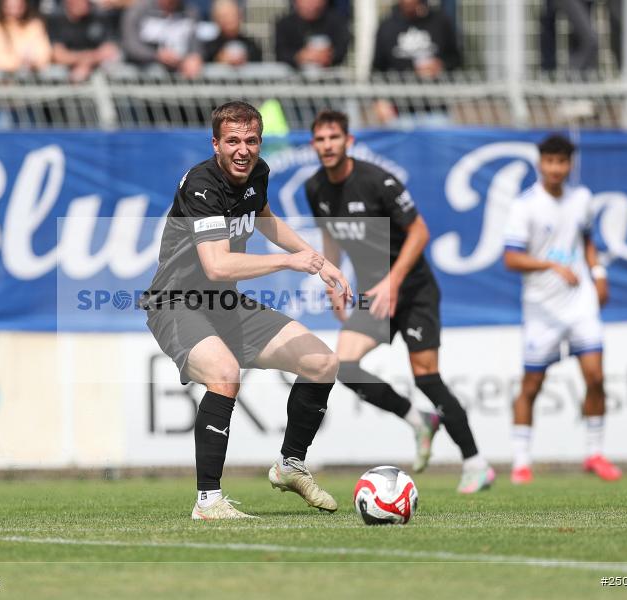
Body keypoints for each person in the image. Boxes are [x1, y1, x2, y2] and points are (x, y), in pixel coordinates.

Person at [142, 101, 353, 520]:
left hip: (224, 304)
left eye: (251, 141)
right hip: (176, 303)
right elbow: (217, 266)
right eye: (233, 141)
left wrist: (318, 260)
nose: (243, 150)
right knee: (224, 375)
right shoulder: (202, 185)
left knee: (322, 363)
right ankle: (208, 502)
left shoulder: (257, 173)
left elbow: (265, 219)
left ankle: (290, 465)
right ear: (215, 144)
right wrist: (289, 262)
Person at [305, 110, 495, 494]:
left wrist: (393, 281)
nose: (327, 145)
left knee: (426, 378)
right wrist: (333, 282)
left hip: (413, 290)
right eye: (321, 140)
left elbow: (420, 232)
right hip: (374, 293)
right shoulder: (315, 188)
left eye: (334, 138)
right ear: (314, 145)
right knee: (344, 366)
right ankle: (418, 420)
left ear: (348, 141)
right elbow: (331, 238)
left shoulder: (378, 181)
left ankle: (476, 464)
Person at [504, 134, 621, 484]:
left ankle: (595, 453)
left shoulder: (581, 198)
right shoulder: (524, 205)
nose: (555, 168)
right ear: (540, 163)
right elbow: (511, 258)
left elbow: (586, 240)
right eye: (550, 161)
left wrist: (598, 274)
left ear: (570, 165)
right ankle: (521, 461)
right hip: (542, 308)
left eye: (562, 162)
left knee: (596, 377)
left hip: (579, 302)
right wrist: (551, 266)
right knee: (532, 384)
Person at [372, 0, 461, 125]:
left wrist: (440, 65)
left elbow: (455, 58)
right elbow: (377, 68)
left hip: (436, 110)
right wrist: (378, 101)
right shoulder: (387, 25)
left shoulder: (440, 21)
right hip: (399, 111)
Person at [120, 0, 204, 78]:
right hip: (145, 67)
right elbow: (131, 45)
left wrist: (194, 57)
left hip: (181, 66)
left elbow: (196, 44)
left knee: (207, 72)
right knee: (155, 71)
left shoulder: (190, 11)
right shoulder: (139, 10)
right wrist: (157, 55)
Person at [47, 0, 121, 82]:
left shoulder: (99, 15)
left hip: (96, 74)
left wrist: (86, 64)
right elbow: (58, 55)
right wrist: (85, 59)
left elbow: (109, 51)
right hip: (66, 76)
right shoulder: (57, 18)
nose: (84, 3)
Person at [0, 0, 53, 72]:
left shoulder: (35, 26)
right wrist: (18, 63)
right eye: (11, 4)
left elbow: (43, 55)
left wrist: (33, 63)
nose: (14, 5)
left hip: (29, 79)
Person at [274, 0, 350, 69]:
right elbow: (281, 53)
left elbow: (341, 50)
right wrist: (300, 57)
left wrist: (326, 56)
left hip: (330, 74)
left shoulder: (336, 22)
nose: (310, 2)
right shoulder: (285, 24)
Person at [202, 0, 262, 66]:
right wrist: (218, 59)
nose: (229, 19)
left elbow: (259, 62)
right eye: (224, 16)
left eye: (232, 15)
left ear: (240, 16)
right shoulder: (209, 48)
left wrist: (244, 59)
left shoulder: (252, 46)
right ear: (216, 19)